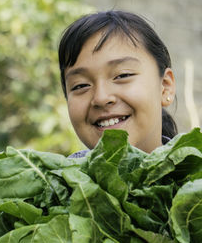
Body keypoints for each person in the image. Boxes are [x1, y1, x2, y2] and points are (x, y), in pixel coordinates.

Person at [58, 10, 177, 157]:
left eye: (122, 75)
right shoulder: (49, 179)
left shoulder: (195, 177)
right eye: (81, 85)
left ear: (165, 87)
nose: (101, 98)